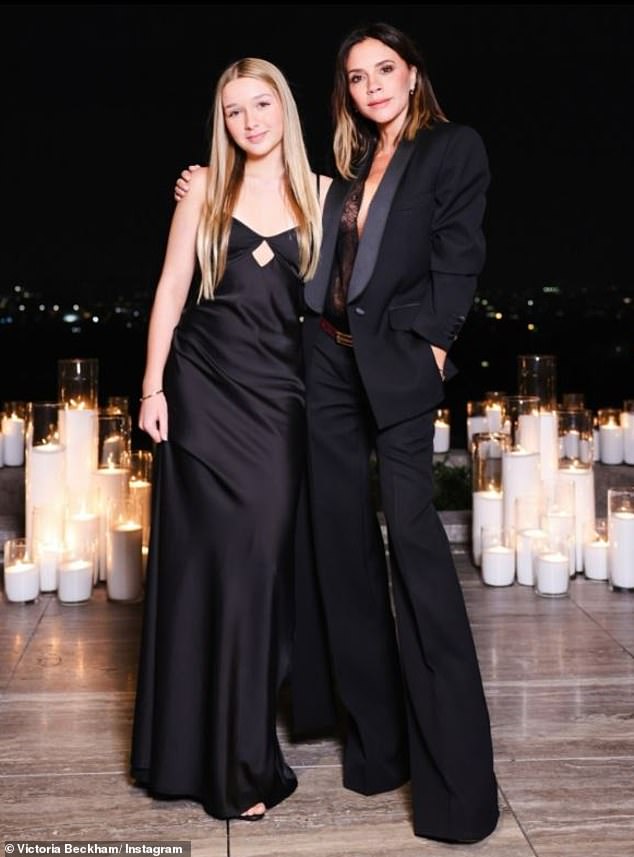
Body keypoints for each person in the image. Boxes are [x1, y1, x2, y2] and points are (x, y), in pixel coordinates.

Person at [175, 22, 499, 844]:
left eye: (384, 69)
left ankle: (460, 795)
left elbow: (460, 257)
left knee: (415, 557)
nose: (372, 86)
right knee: (339, 555)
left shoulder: (452, 148)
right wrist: (202, 185)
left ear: (413, 71)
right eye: (356, 77)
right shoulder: (350, 171)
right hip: (324, 369)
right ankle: (375, 751)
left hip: (394, 372)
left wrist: (431, 345)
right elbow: (303, 241)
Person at [130, 56, 327, 822]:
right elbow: (171, 289)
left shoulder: (322, 194)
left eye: (262, 104)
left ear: (284, 107)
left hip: (281, 407)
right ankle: (223, 763)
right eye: (235, 110)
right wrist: (151, 388)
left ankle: (236, 743)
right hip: (200, 397)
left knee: (259, 573)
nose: (250, 121)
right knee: (202, 573)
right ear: (224, 120)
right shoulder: (205, 190)